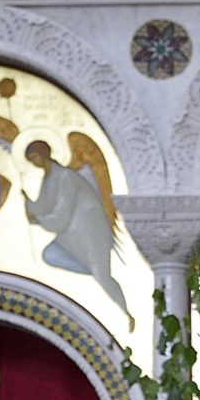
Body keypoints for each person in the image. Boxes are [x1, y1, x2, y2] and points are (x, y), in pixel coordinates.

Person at [23, 135, 133, 325]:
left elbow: (62, 215)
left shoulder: (66, 177)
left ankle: (126, 313)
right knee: (50, 254)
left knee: (102, 275)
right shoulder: (48, 179)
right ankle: (92, 269)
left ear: (43, 154)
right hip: (70, 235)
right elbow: (43, 206)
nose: (33, 163)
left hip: (89, 231)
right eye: (30, 160)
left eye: (34, 157)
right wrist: (27, 201)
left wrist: (39, 219)